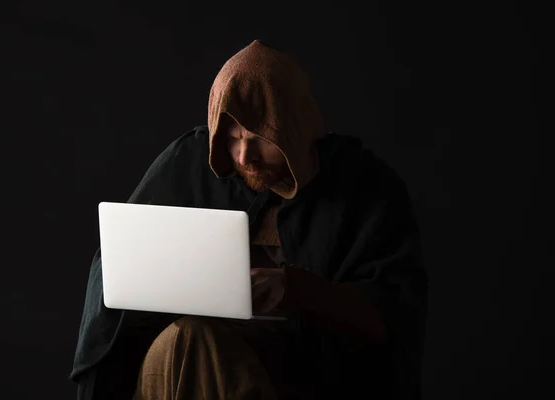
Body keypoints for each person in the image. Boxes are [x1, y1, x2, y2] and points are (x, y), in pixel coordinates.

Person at [70, 40, 428, 400]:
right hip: (186, 354)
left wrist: (294, 288)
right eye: (233, 137)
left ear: (296, 129)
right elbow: (118, 266)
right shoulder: (188, 167)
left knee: (194, 344)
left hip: (302, 377)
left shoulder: (363, 185)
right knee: (184, 341)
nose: (245, 157)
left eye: (259, 138)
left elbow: (390, 317)